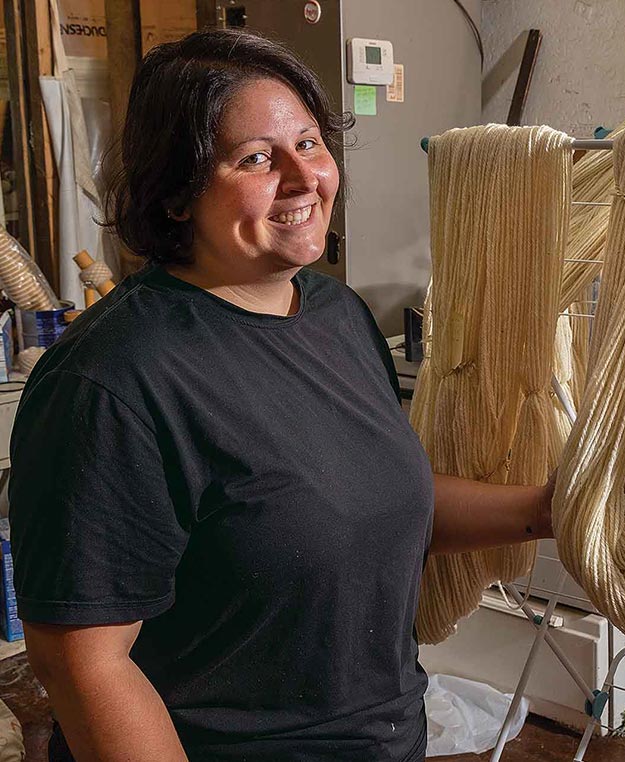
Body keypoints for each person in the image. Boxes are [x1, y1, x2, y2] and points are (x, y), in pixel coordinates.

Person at [8, 29, 555, 762]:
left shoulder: (333, 312)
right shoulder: (113, 383)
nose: (305, 178)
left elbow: (369, 499)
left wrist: (544, 512)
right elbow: (83, 665)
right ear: (175, 194)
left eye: (310, 143)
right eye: (257, 158)